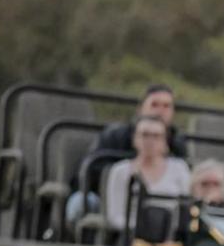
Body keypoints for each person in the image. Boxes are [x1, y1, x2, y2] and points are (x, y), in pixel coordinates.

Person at [67, 83, 188, 222]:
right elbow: (91, 171)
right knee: (80, 203)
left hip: (158, 208)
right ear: (140, 109)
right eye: (155, 105)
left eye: (167, 106)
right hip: (108, 197)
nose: (161, 111)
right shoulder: (114, 136)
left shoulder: (178, 147)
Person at [103, 115, 191, 232]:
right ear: (134, 139)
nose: (150, 141)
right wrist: (143, 230)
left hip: (171, 237)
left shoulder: (180, 168)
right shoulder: (120, 170)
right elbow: (114, 216)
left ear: (165, 141)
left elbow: (186, 209)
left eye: (156, 136)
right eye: (144, 135)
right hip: (129, 236)